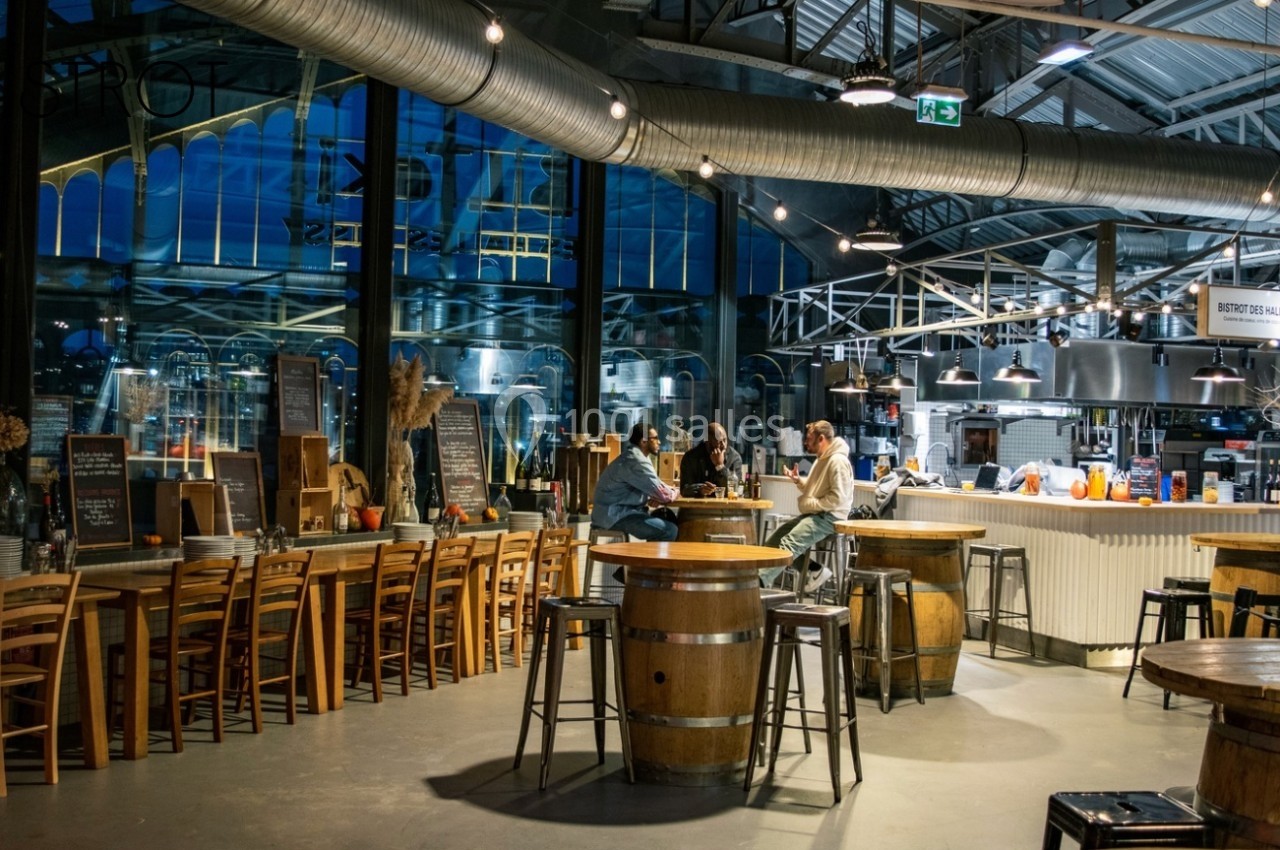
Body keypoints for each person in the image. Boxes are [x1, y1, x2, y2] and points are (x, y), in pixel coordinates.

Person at [761, 420, 853, 592]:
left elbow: (838, 498)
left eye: (809, 439)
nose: (805, 442)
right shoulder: (822, 459)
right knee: (775, 540)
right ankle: (814, 570)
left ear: (821, 439)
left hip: (831, 517)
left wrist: (812, 504)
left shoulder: (837, 461)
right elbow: (818, 489)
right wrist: (799, 481)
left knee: (790, 542)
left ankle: (759, 581)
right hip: (818, 513)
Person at [591, 421, 680, 541]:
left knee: (667, 516)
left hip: (618, 512)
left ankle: (649, 559)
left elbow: (654, 486)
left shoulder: (637, 457)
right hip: (614, 516)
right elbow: (665, 495)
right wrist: (677, 491)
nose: (659, 442)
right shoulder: (636, 461)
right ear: (643, 441)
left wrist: (652, 497)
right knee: (669, 530)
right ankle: (648, 560)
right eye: (655, 438)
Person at [679, 422, 743, 497]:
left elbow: (734, 490)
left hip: (724, 507)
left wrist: (720, 466)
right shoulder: (691, 457)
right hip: (698, 507)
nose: (724, 445)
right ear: (708, 443)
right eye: (719, 442)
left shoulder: (734, 457)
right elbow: (684, 489)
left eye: (725, 440)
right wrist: (700, 490)